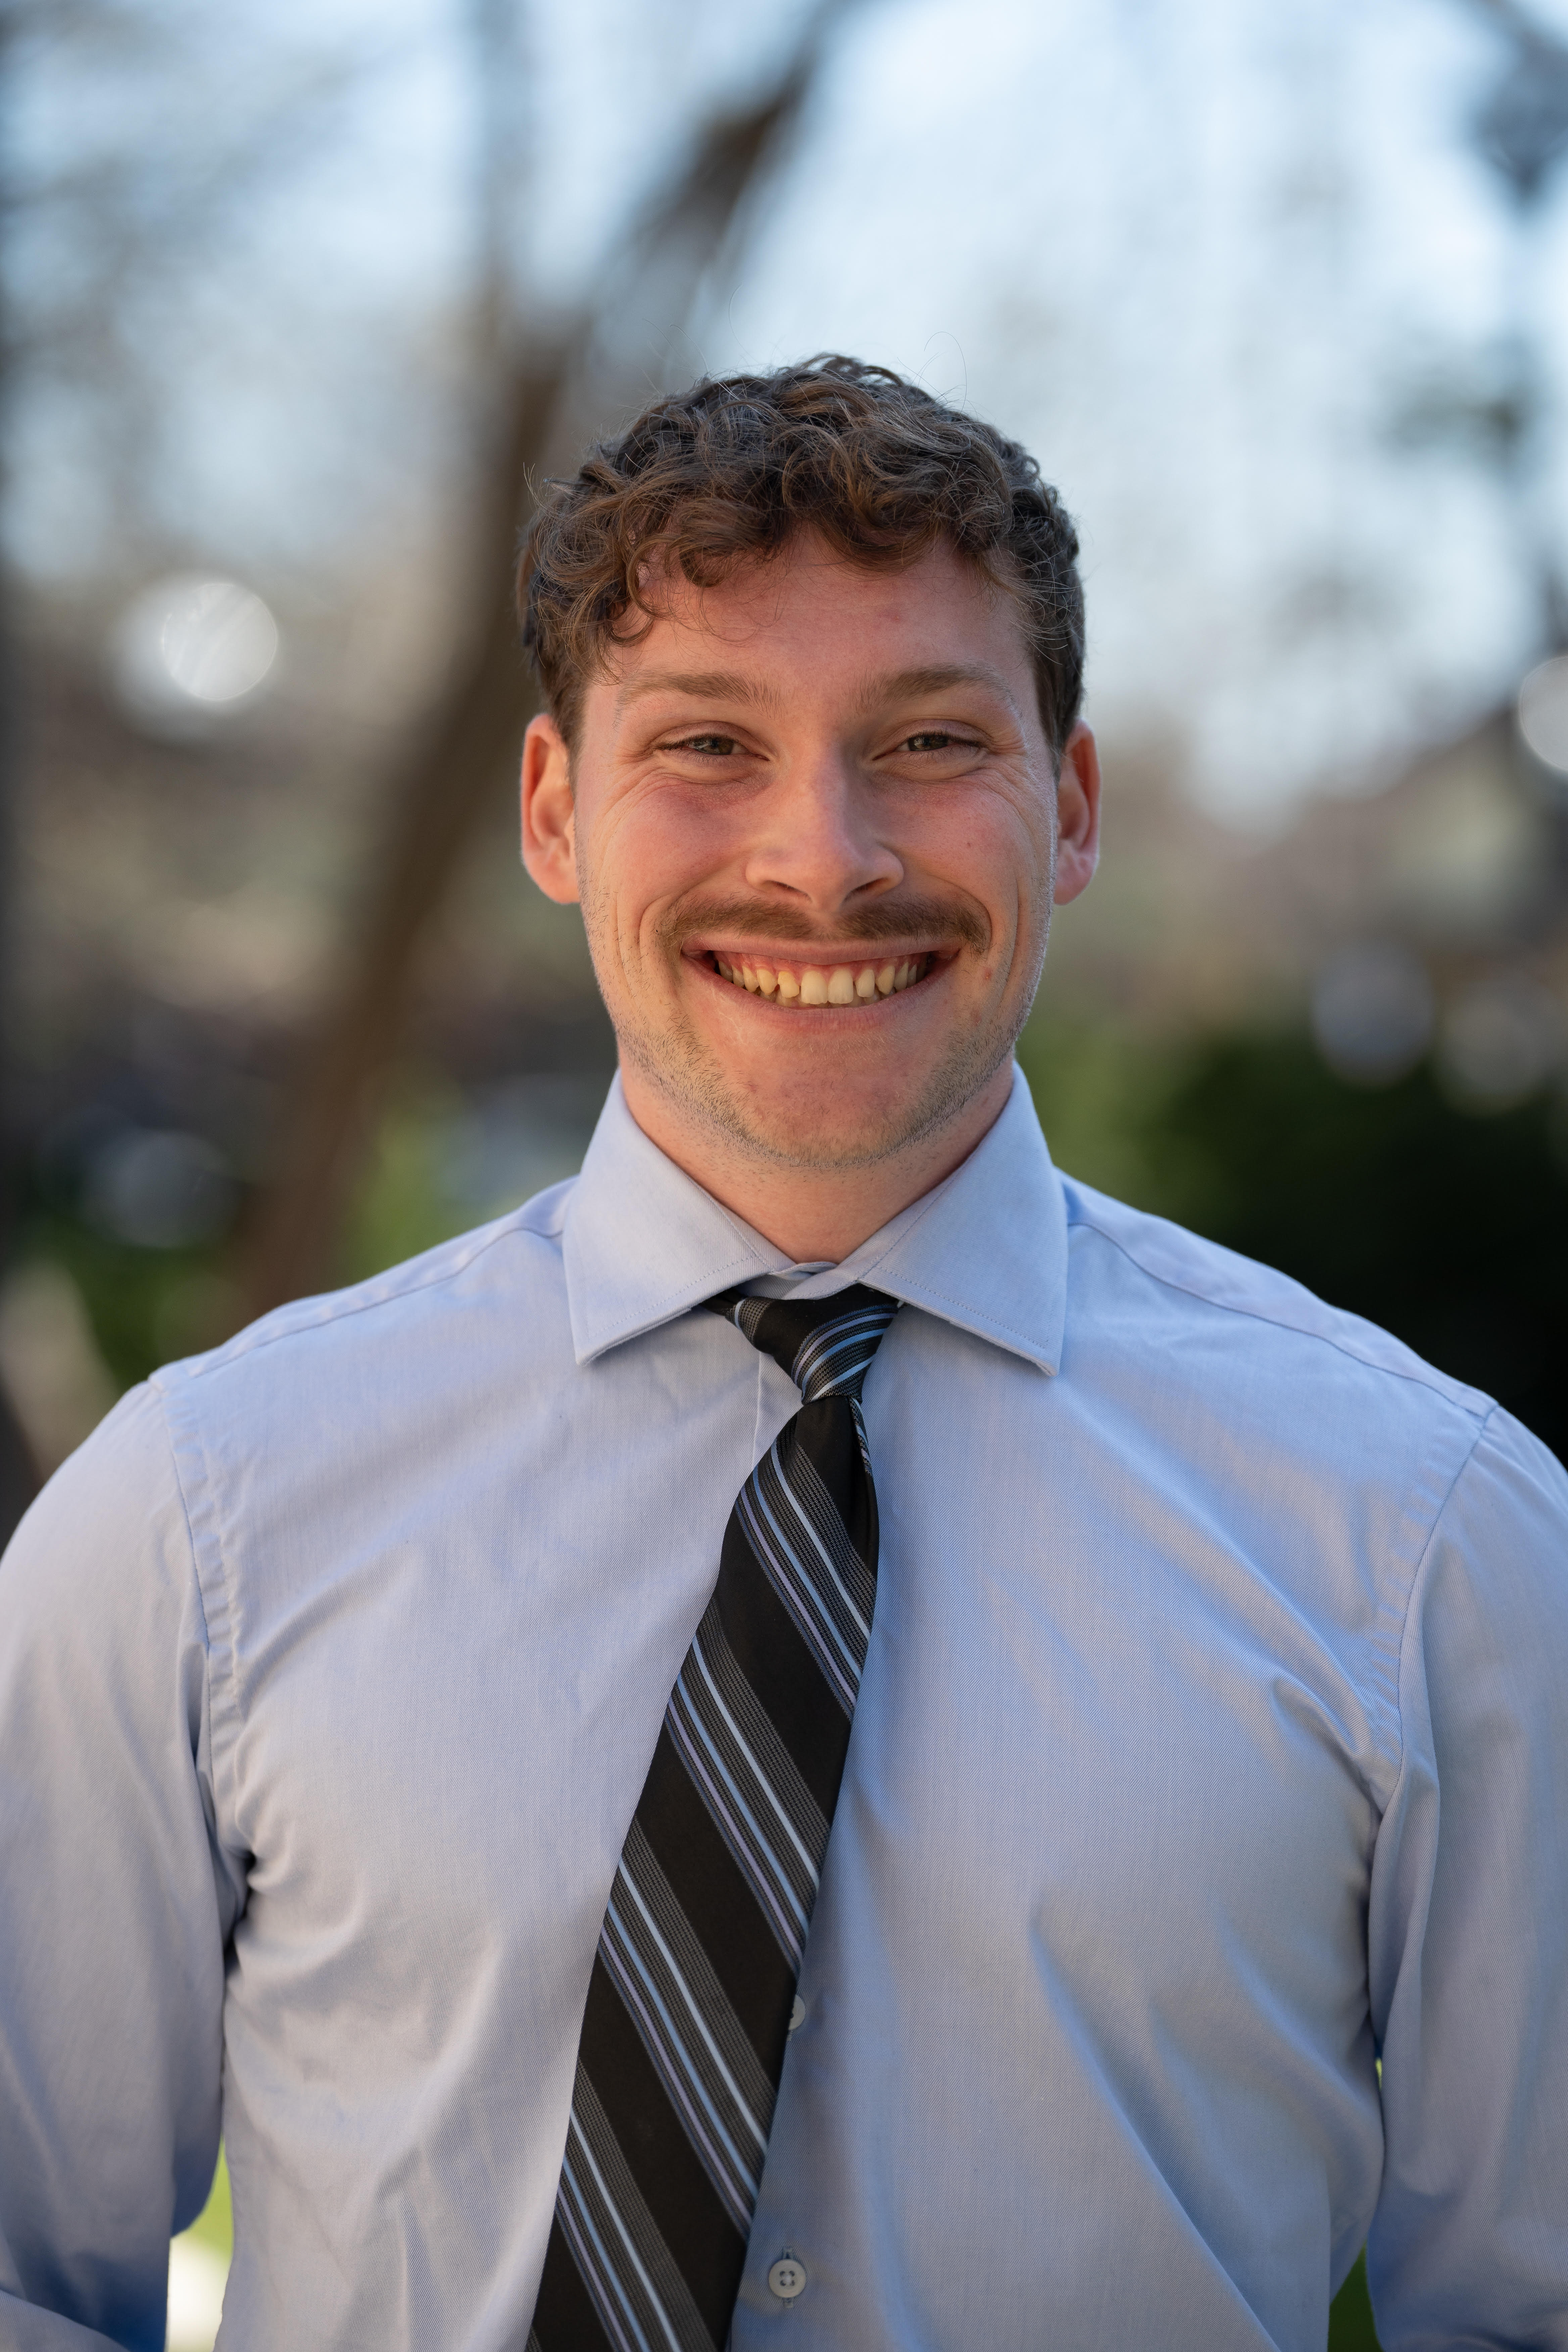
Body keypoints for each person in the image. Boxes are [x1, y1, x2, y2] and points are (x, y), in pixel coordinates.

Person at [2, 357, 1566, 2352]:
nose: (823, 861)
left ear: (1071, 806)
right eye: (708, 743)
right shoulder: (196, 1519)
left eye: (928, 740)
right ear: (555, 812)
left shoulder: (1434, 1539)